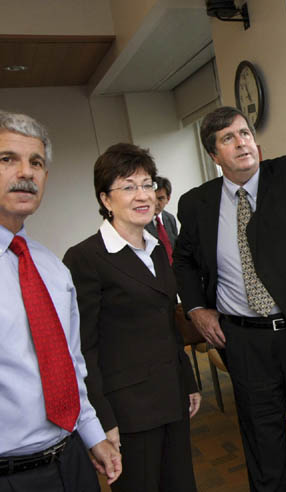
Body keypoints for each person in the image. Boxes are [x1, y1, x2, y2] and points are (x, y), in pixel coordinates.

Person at [173, 106, 286, 491]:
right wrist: (196, 309)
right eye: (228, 138)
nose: (241, 142)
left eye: (244, 133)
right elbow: (185, 260)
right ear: (214, 155)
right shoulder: (196, 204)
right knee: (263, 447)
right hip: (243, 341)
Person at [62, 143, 201, 492]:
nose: (142, 195)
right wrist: (101, 419)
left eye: (147, 184)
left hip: (172, 397)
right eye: (128, 186)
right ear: (106, 200)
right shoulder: (85, 258)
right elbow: (83, 348)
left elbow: (167, 324)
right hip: (128, 412)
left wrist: (188, 381)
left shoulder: (157, 249)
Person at [0, 111, 121, 491]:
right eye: (7, 159)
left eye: (36, 162)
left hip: (72, 460)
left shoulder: (51, 268)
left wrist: (92, 433)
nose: (26, 172)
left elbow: (69, 363)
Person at [144, 176, 178, 263]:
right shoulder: (141, 221)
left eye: (160, 198)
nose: (156, 203)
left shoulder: (170, 219)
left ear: (168, 199)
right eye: (153, 198)